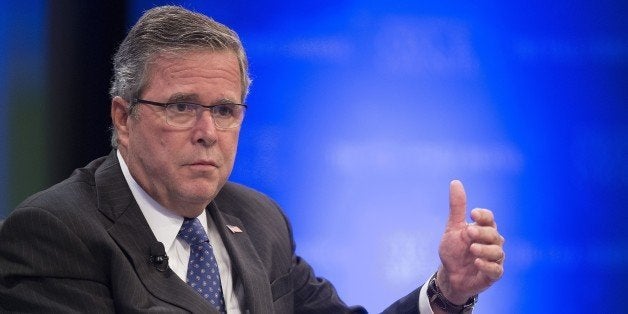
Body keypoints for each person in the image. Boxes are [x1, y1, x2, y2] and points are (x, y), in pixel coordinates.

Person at [0, 5, 504, 313]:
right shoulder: (53, 232)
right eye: (181, 106)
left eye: (224, 110)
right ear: (124, 118)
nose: (207, 133)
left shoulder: (258, 220)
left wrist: (447, 293)